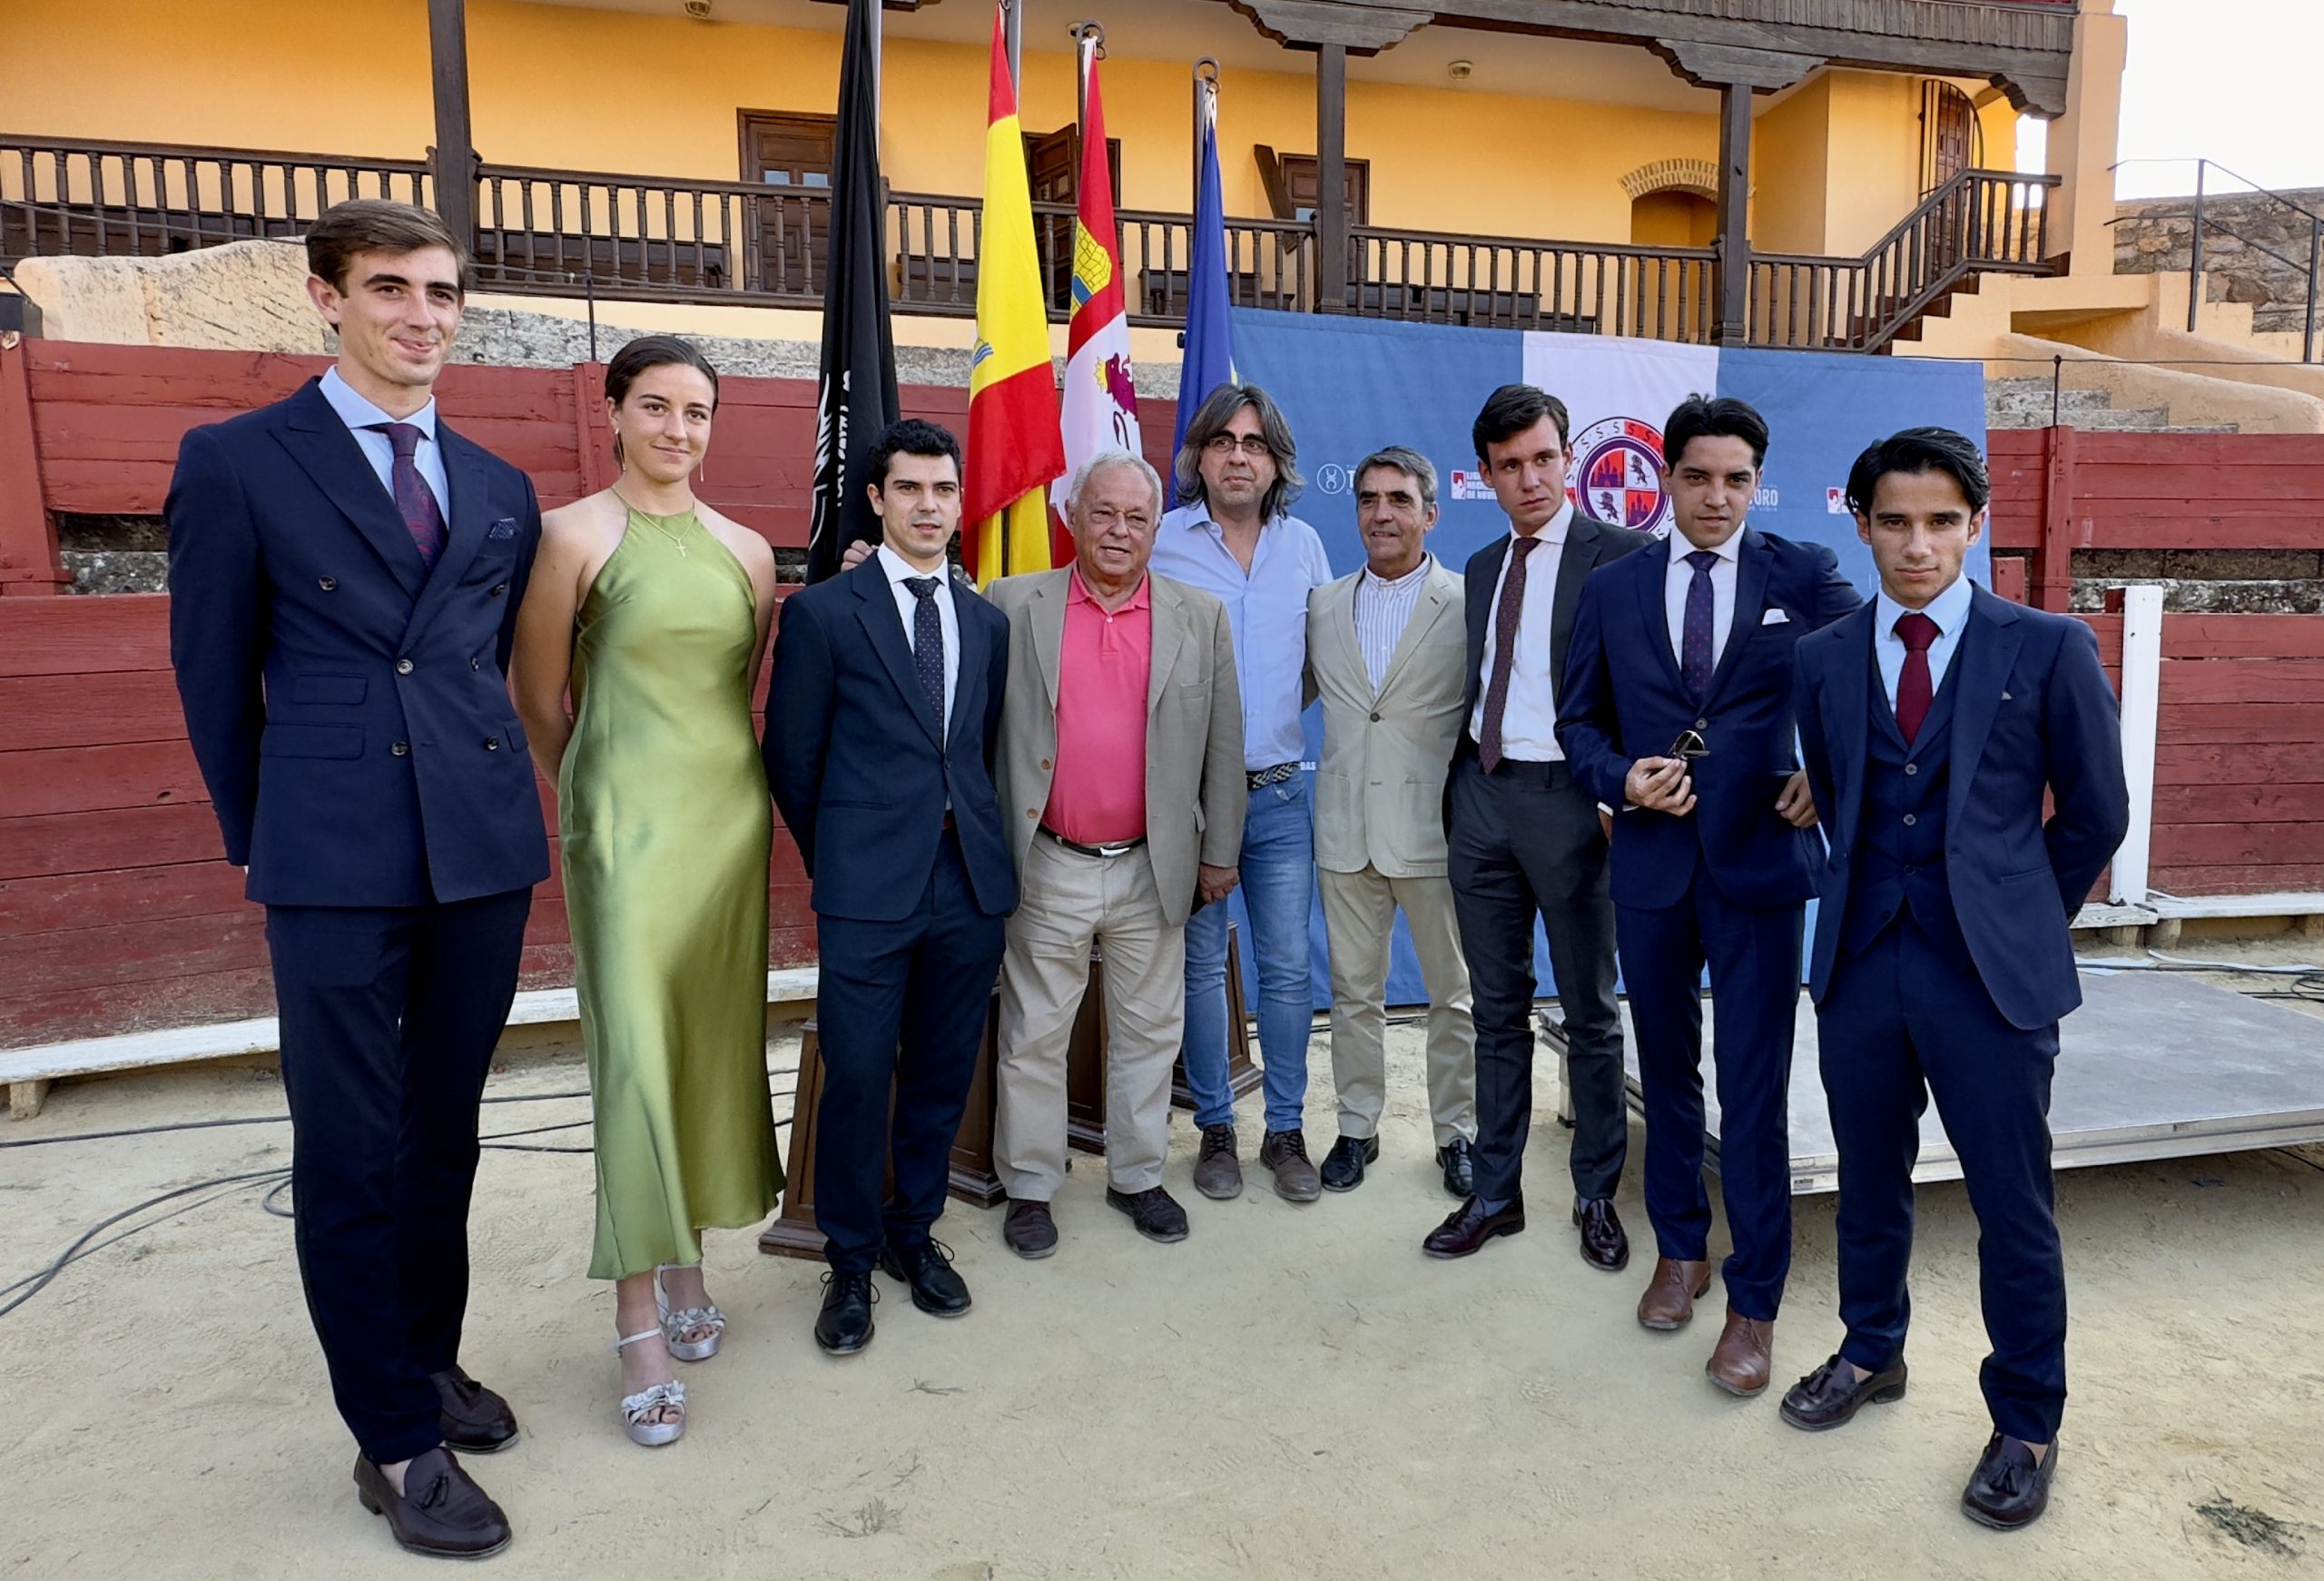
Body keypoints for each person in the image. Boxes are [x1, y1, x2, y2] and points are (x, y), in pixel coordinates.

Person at [165, 199, 544, 1558]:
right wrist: (264, 835)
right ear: (326, 297)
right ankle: (391, 1439)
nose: (422, 315)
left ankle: (425, 1361)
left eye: (443, 292)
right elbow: (211, 675)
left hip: (480, 847)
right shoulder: (238, 459)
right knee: (347, 1147)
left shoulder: (498, 487)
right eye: (391, 287)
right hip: (331, 851)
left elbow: (476, 664)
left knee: (444, 1131)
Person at [1781, 428, 2127, 1531]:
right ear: (1863, 524)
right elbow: (1841, 794)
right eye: (1894, 521)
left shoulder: (2047, 646)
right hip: (1862, 958)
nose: (1917, 544)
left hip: (1991, 979)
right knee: (1866, 1180)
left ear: (1974, 527)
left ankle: (2026, 1418)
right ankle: (1871, 1350)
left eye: (1940, 522)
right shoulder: (1823, 658)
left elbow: (2095, 814)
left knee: (2009, 1202)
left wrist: (2016, 916)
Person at [508, 335, 783, 1448]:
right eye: (656, 407)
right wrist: (599, 795)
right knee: (631, 1059)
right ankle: (636, 1318)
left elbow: (735, 689)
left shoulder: (750, 552)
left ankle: (685, 1262)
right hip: (619, 830)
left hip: (727, 826)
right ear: (614, 410)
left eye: (698, 411)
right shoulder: (570, 534)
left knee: (706, 1045)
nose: (678, 430)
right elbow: (537, 694)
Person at [1556, 396, 1860, 1397]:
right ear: (1665, 479)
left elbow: (1859, 680)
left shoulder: (1803, 575)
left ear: (1755, 481)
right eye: (1697, 477)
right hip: (1649, 868)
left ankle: (1755, 1298)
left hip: (1761, 870)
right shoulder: (1614, 585)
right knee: (1670, 1072)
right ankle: (1678, 1251)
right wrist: (1619, 779)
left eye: (1735, 479)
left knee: (1756, 1089)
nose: (1716, 496)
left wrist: (1827, 765)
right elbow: (1578, 722)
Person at [763, 418, 1016, 1356]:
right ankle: (851, 1257)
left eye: (943, 490)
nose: (928, 506)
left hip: (967, 885)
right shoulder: (825, 613)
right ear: (876, 498)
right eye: (908, 488)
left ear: (959, 501)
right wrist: (842, 861)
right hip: (866, 890)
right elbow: (792, 757)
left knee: (943, 1070)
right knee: (859, 1075)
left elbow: (976, 750)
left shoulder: (984, 621)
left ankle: (914, 1232)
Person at [985, 450, 1246, 1255]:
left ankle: (1136, 1175)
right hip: (1048, 858)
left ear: (1156, 526)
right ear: (1072, 514)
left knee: (1148, 1028)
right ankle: (1030, 1185)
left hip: (1152, 862)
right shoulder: (1010, 604)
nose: (1119, 531)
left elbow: (1223, 744)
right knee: (1033, 1031)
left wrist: (1220, 852)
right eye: (1103, 513)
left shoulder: (1198, 615)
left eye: (1137, 517)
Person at [1427, 383, 1648, 1267]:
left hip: (1573, 802)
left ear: (1567, 459)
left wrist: (1614, 796)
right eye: (1509, 465)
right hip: (1481, 800)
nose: (1529, 478)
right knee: (1495, 1010)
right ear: (1485, 474)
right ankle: (1495, 1191)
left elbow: (1648, 685)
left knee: (1591, 1012)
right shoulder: (1481, 565)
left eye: (1543, 459)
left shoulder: (1623, 555)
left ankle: (1595, 1195)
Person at [1150, 383, 1334, 1204]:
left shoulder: (1306, 548)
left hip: (1283, 797)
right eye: (1222, 441)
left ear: (1275, 462)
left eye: (1254, 444)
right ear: (1197, 457)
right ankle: (1216, 1126)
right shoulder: (1161, 544)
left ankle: (1286, 1131)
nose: (1237, 455)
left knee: (1289, 969)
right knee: (1198, 966)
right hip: (1190, 803)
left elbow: (1317, 667)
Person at [1304, 448, 1478, 1197]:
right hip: (1344, 827)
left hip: (1435, 832)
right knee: (1353, 992)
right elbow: (1289, 702)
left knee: (1455, 995)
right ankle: (1356, 1125)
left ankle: (1458, 1133)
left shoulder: (1468, 603)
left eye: (1399, 500)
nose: (1382, 513)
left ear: (1429, 513)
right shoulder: (1323, 604)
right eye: (1369, 499)